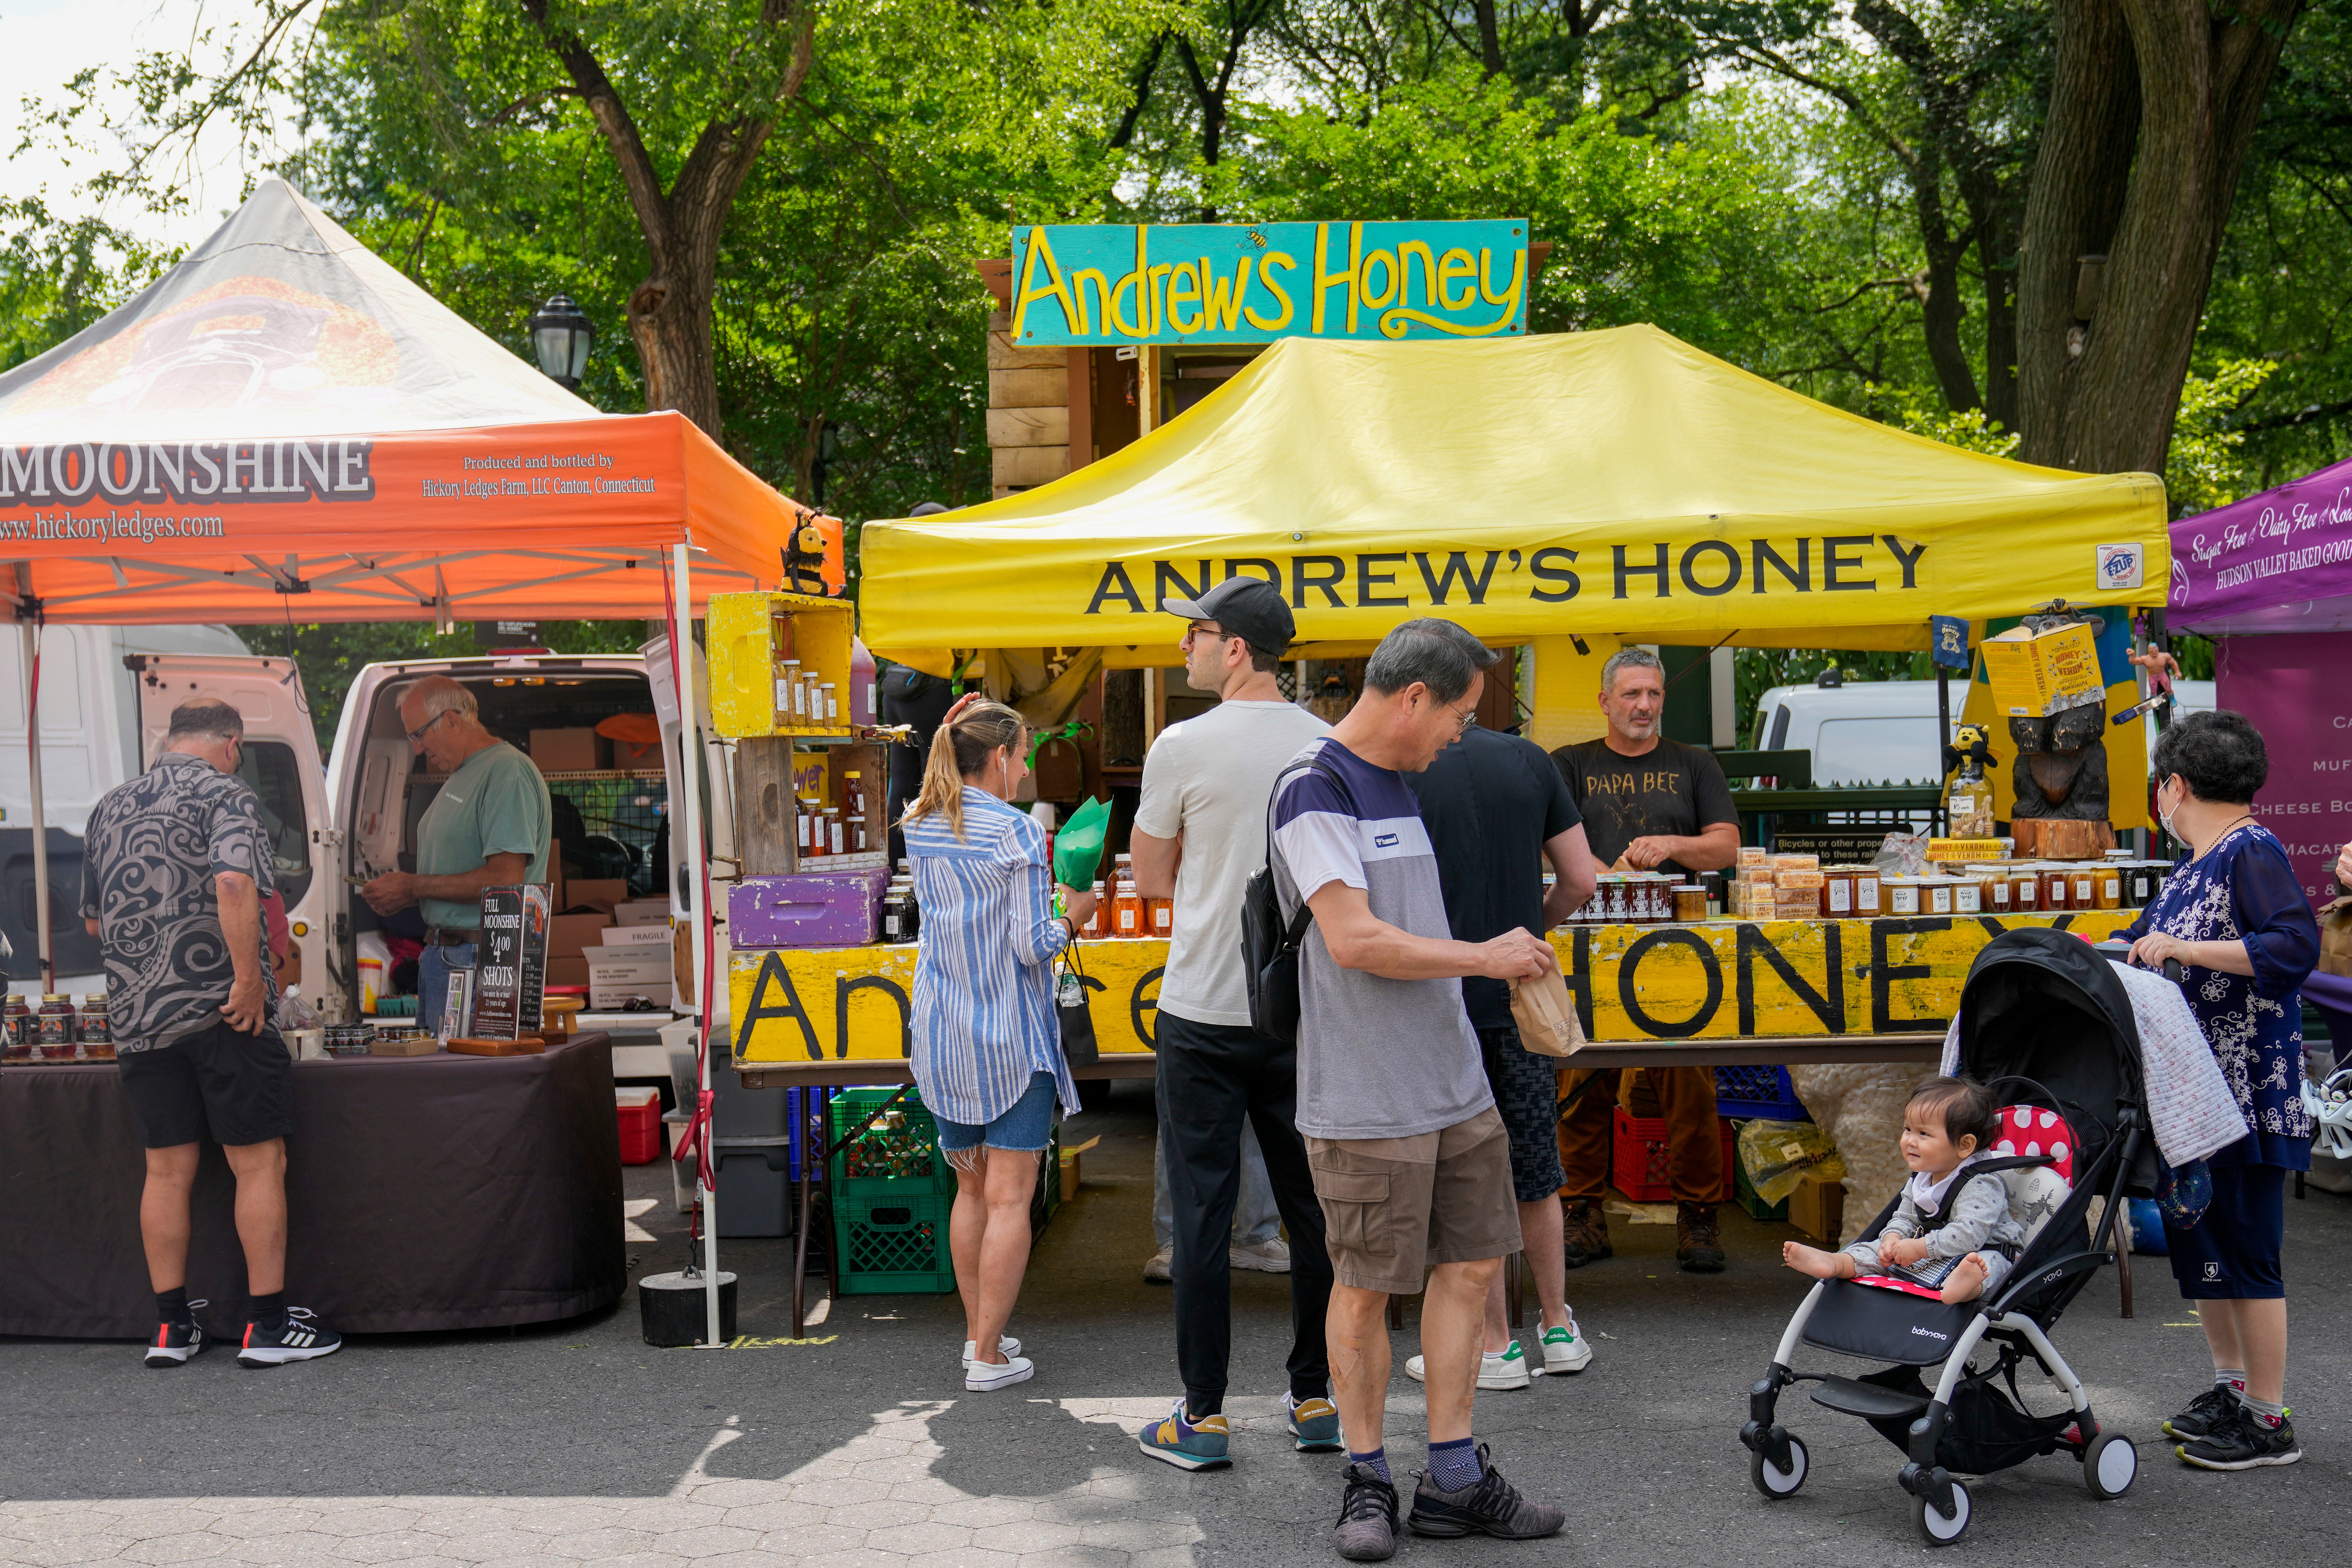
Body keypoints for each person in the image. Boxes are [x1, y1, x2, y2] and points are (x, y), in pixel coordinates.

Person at [1270, 618, 1565, 1562]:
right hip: (1364, 1094)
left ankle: (1451, 1477)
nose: (1459, 733)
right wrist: (1485, 955)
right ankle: (1366, 1479)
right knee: (1361, 1290)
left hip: (1452, 1084)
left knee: (1474, 1268)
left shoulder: (1405, 782)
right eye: (1457, 714)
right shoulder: (1310, 789)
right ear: (1412, 698)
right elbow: (1353, 940)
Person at [1128, 575, 1340, 1470]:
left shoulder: (1179, 744)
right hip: (1307, 1011)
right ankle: (1317, 1394)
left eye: (1196, 634)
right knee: (1315, 1210)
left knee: (1206, 1218)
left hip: (1204, 1006)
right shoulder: (1331, 745)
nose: (1184, 647)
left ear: (1237, 648)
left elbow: (1147, 879)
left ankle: (1203, 1414)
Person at [80, 700, 342, 1369]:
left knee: (166, 1168)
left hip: (138, 1016)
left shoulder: (109, 806)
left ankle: (170, 1329)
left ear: (171, 740)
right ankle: (268, 1327)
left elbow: (93, 924)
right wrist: (249, 979)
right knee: (257, 1161)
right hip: (223, 1009)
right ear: (231, 744)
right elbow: (234, 880)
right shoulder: (226, 792)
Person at [1402, 627, 1599, 1388]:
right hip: (1518, 999)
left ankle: (1492, 1344)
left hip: (1433, 999)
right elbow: (1579, 879)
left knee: (1461, 1175)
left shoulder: (1402, 770)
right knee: (1534, 1168)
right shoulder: (1530, 761)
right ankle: (1556, 1327)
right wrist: (1527, 932)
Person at [2121, 710, 2317, 1472]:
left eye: (2158, 786)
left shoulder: (2249, 849)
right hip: (2192, 1100)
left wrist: (2184, 946)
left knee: (2245, 1251)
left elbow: (2291, 942)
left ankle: (2267, 1420)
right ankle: (2230, 1390)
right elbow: (2145, 944)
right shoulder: (2191, 866)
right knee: (2202, 1245)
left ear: (2172, 784)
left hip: (2243, 1093)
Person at [901, 695, 1099, 1393]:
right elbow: (1029, 945)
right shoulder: (1014, 832)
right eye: (1020, 754)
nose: (1024, 768)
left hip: (943, 1033)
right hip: (1011, 1040)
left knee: (971, 1189)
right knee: (1012, 1197)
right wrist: (1074, 915)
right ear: (998, 756)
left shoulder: (919, 824)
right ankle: (987, 1356)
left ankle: (977, 1333)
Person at [1549, 645, 1741, 1273]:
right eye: (1631, 694)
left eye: (1653, 695)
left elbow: (1725, 848)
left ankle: (1698, 1218)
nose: (1644, 706)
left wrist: (1672, 846)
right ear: (1605, 700)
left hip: (1679, 952)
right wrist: (1605, 880)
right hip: (1586, 946)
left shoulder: (1693, 764)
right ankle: (1581, 1213)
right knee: (1578, 1076)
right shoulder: (1569, 764)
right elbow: (1545, 841)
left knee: (1688, 1081)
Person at [360, 676, 551, 1032]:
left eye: (419, 735)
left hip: (478, 960)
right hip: (447, 959)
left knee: (468, 1083)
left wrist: (413, 887)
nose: (417, 749)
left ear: (451, 720)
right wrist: (404, 894)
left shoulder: (505, 771)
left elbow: (505, 882)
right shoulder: (465, 773)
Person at [1782, 1076, 2023, 1305]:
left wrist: (1919, 1248)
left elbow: (1970, 1235)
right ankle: (1838, 1262)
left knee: (1990, 1267)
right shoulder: (1922, 1178)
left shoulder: (1981, 1184)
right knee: (1873, 1248)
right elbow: (1905, 1217)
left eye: (1924, 1134)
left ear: (1964, 1145)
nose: (1910, 1141)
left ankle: (1964, 1289)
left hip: (1980, 1252)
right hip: (1934, 1252)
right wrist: (1892, 1239)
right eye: (1908, 1129)